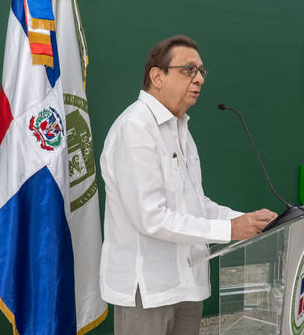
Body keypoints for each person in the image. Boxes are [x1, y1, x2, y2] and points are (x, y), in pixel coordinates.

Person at [99, 35, 278, 335]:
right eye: (188, 70)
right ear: (157, 76)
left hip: (188, 284)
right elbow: (151, 218)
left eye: (201, 71)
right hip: (149, 290)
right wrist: (230, 230)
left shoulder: (181, 128)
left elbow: (196, 204)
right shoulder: (135, 128)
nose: (199, 79)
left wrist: (244, 220)